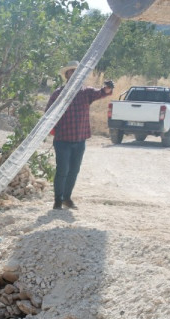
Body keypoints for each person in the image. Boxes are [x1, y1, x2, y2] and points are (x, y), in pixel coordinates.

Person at [46, 61, 114, 211]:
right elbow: (48, 114)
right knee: (62, 170)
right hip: (62, 140)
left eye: (77, 72)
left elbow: (102, 92)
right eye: (71, 72)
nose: (74, 74)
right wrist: (52, 131)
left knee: (74, 170)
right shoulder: (58, 94)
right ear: (66, 75)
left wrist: (108, 88)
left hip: (80, 139)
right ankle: (57, 200)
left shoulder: (86, 92)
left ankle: (67, 198)